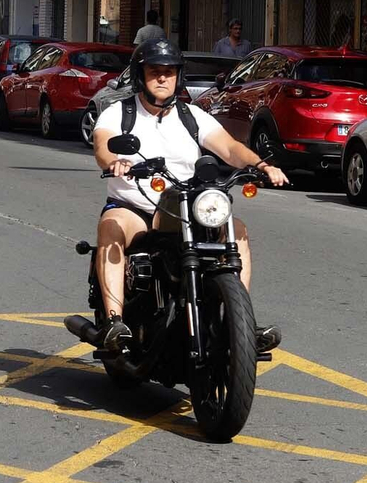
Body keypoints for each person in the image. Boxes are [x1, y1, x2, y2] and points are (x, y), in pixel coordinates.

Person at [92, 38, 290, 354]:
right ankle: (115, 323)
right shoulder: (120, 113)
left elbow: (229, 148)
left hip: (184, 206)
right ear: (140, 75)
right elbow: (103, 144)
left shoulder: (191, 116)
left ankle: (239, 322)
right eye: (154, 71)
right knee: (111, 227)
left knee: (236, 229)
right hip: (135, 207)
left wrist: (261, 165)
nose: (162, 77)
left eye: (169, 72)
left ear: (178, 76)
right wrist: (114, 161)